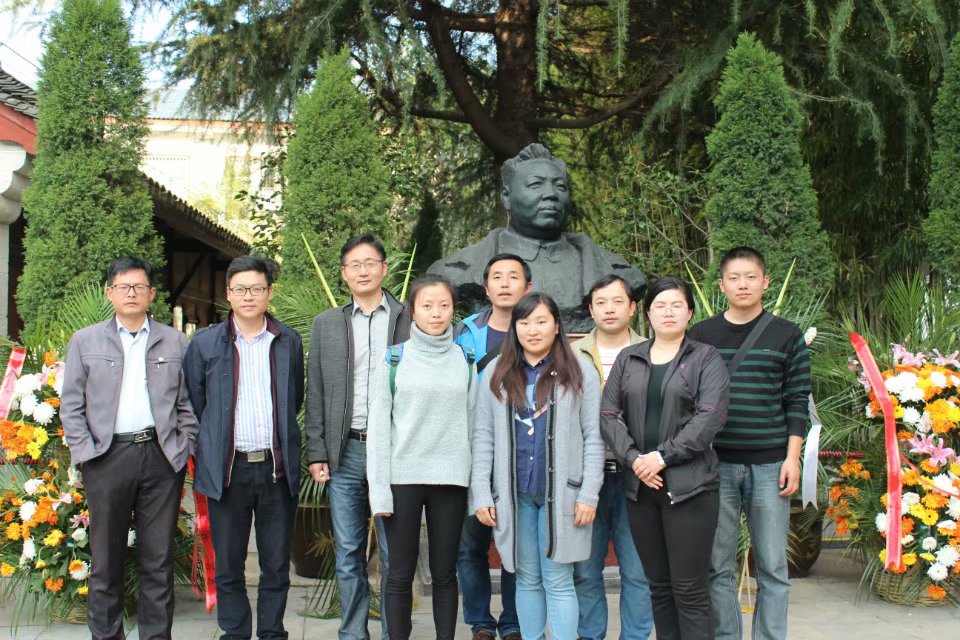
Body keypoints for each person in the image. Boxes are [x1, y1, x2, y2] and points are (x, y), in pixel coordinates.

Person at [60, 257, 198, 640]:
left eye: (139, 287)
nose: (132, 293)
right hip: (106, 458)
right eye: (124, 287)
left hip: (160, 457)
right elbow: (71, 405)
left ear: (151, 293)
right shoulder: (85, 341)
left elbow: (187, 403)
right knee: (106, 561)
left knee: (158, 560)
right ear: (110, 293)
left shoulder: (175, 341)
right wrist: (86, 453)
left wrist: (183, 446)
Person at [688, 247, 811, 640]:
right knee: (716, 567)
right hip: (715, 465)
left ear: (765, 282)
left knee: (773, 567)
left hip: (771, 464)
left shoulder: (787, 335)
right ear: (721, 284)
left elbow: (797, 400)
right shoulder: (700, 336)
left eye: (751, 277)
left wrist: (792, 458)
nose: (743, 284)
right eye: (734, 278)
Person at [182, 256, 305, 640]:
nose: (248, 296)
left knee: (275, 564)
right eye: (240, 289)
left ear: (269, 293)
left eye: (256, 288)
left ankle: (271, 633)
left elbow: (294, 398)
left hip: (275, 469)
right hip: (227, 471)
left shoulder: (288, 341)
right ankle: (235, 633)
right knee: (229, 565)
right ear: (228, 293)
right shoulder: (205, 344)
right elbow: (196, 403)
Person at [600, 277, 729, 640]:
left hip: (690, 488)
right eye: (660, 305)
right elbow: (608, 413)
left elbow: (710, 416)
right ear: (647, 314)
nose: (668, 312)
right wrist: (634, 460)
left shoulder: (705, 357)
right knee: (658, 587)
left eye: (676, 305)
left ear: (689, 312)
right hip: (640, 488)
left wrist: (661, 457)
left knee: (689, 589)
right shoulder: (629, 358)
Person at [471, 292, 604, 640]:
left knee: (558, 579)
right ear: (514, 328)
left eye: (541, 321)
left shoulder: (580, 371)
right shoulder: (497, 373)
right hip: (515, 496)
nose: (533, 330)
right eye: (525, 322)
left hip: (562, 496)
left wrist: (588, 494)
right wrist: (482, 492)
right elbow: (483, 437)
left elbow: (594, 436)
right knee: (527, 578)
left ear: (556, 326)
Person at [304, 233, 410, 640]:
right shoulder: (327, 324)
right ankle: (352, 633)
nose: (363, 271)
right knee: (348, 551)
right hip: (345, 450)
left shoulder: (409, 319)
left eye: (370, 263)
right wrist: (317, 450)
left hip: (395, 452)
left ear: (384, 268)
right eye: (354, 265)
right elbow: (316, 389)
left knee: (393, 552)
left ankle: (393, 633)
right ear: (344, 273)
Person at [428, 143, 645, 332]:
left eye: (560, 186)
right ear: (507, 197)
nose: (551, 194)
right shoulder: (453, 273)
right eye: (535, 184)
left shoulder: (620, 273)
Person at [366, 274, 477, 640]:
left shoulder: (465, 360)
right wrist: (379, 492)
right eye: (427, 305)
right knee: (399, 573)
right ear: (413, 311)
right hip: (403, 479)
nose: (436, 313)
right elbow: (379, 430)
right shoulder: (393, 359)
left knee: (445, 574)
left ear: (453, 310)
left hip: (451, 480)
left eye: (444, 305)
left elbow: (474, 427)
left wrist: (478, 490)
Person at [454, 253, 531, 640]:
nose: (504, 283)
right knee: (471, 545)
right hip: (474, 450)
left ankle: (514, 622)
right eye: (497, 277)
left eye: (513, 277)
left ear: (527, 287)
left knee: (517, 545)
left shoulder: (540, 329)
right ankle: (481, 622)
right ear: (486, 288)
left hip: (524, 452)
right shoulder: (465, 332)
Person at [572, 275, 654, 640]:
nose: (609, 309)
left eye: (617, 301)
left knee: (637, 570)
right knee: (585, 570)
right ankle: (590, 634)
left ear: (633, 307)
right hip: (586, 477)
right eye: (601, 302)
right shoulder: (571, 354)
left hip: (637, 475)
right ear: (590, 310)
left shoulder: (653, 351)